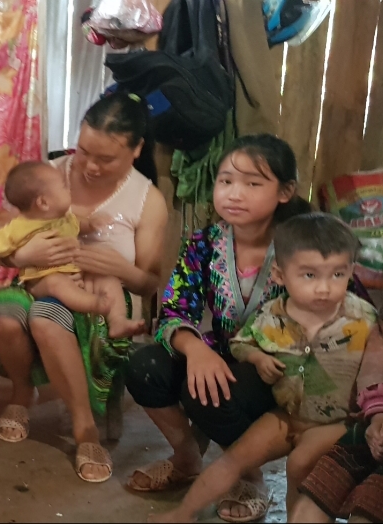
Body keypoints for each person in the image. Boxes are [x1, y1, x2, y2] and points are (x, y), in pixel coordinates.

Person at [125, 135, 372, 522]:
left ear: (285, 192)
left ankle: (250, 478)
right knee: (145, 367)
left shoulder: (304, 246)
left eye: (252, 183)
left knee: (206, 394)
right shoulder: (204, 244)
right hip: (234, 351)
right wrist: (197, 350)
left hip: (285, 369)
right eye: (226, 181)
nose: (234, 194)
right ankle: (187, 458)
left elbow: (359, 312)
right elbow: (174, 308)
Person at [0, 92, 168, 482]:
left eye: (106, 158)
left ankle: (85, 428)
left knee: (46, 317)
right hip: (39, 280)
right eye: (83, 151)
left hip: (105, 295)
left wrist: (119, 267)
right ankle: (21, 393)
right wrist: (23, 256)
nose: (89, 166)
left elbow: (150, 283)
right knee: (4, 314)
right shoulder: (46, 175)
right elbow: (5, 239)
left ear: (136, 149)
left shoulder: (147, 200)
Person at [0, 161, 144, 339]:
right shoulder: (18, 228)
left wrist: (91, 224)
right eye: (64, 186)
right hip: (41, 281)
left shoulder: (64, 218)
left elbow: (79, 224)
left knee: (107, 279)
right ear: (43, 202)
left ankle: (118, 321)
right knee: (56, 283)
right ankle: (95, 305)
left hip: (76, 273)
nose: (69, 189)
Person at [294, 377, 383, 522]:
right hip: (373, 423)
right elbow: (374, 370)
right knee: (309, 506)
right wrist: (377, 415)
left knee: (363, 516)